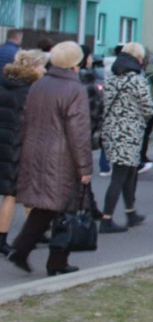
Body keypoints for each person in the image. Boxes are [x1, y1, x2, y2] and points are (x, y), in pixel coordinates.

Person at [6, 42, 92, 276]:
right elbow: (78, 132)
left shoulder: (39, 84)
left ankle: (22, 250)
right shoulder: (75, 89)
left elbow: (25, 119)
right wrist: (84, 167)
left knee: (46, 205)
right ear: (75, 62)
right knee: (65, 207)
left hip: (36, 150)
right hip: (62, 156)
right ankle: (56, 261)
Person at [99, 42, 153, 233]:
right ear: (138, 59)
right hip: (129, 133)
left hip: (110, 131)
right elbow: (148, 108)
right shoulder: (137, 80)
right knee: (120, 175)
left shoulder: (111, 78)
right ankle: (106, 219)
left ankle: (131, 212)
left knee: (129, 171)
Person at [0, 49, 48, 256]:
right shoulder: (31, 91)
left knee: (22, 191)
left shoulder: (5, 83)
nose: (44, 70)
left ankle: (35, 230)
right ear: (33, 67)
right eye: (42, 66)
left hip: (5, 142)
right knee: (12, 194)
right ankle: (2, 239)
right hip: (18, 146)